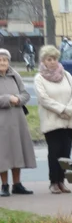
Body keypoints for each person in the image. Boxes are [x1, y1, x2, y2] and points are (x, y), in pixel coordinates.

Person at [34, 44, 72, 194]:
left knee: (66, 153)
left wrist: (70, 109)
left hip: (67, 120)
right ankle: (53, 182)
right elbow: (44, 99)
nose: (52, 62)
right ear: (43, 61)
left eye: (54, 59)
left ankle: (62, 181)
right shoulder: (39, 78)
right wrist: (62, 109)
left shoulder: (66, 75)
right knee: (54, 153)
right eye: (49, 59)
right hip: (52, 121)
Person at [0, 48, 37, 196]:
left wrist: (19, 99)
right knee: (2, 153)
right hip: (1, 122)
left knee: (17, 151)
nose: (2, 62)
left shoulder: (15, 75)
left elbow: (26, 94)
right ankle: (4, 185)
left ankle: (17, 184)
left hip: (17, 120)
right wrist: (8, 98)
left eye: (5, 60)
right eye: (0, 60)